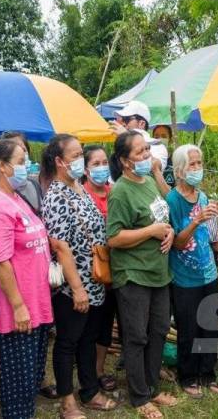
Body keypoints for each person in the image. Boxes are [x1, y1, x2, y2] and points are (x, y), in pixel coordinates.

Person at [41, 134, 116, 419]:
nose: (79, 160)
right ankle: (67, 402)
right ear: (59, 162)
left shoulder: (79, 188)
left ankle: (90, 391)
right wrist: (77, 289)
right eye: (74, 155)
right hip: (74, 286)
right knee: (68, 341)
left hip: (93, 280)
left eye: (80, 153)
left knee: (87, 339)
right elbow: (60, 247)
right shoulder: (56, 196)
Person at [0, 140, 54, 419]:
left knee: (30, 375)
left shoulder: (16, 196)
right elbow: (0, 261)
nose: (27, 167)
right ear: (2, 166)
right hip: (19, 305)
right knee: (18, 379)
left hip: (36, 300)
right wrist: (18, 305)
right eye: (21, 161)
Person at [107, 130, 177, 419]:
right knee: (136, 337)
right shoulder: (121, 191)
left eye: (147, 150)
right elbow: (113, 237)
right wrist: (150, 231)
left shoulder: (149, 181)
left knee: (158, 330)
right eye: (140, 152)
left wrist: (170, 232)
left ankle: (152, 386)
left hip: (159, 272)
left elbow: (163, 219)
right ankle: (139, 398)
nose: (147, 156)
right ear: (125, 160)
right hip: (133, 274)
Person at [166, 144, 218, 398]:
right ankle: (188, 375)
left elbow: (209, 236)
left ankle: (208, 373)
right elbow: (177, 243)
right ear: (181, 170)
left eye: (200, 163)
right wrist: (195, 220)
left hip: (208, 273)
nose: (198, 168)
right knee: (188, 328)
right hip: (184, 277)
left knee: (209, 326)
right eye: (192, 164)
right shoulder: (172, 201)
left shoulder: (203, 197)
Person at [81, 145, 118, 392]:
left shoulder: (115, 192)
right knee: (91, 325)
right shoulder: (81, 196)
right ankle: (87, 373)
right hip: (91, 270)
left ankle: (99, 369)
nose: (102, 167)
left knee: (106, 323)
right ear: (85, 169)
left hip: (116, 268)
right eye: (96, 163)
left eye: (105, 162)